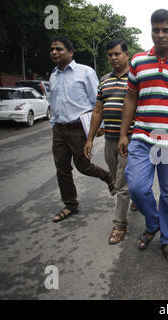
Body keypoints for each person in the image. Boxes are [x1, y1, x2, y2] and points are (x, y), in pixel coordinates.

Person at [117, 9, 168, 262]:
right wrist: (124, 134)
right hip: (142, 137)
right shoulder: (138, 61)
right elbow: (130, 97)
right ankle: (153, 222)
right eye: (156, 29)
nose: (161, 34)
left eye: (166, 30)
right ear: (151, 30)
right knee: (137, 187)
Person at [49, 36, 115, 223]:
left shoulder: (85, 72)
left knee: (83, 166)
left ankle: (108, 177)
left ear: (70, 52)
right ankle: (70, 204)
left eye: (59, 49)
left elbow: (98, 101)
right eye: (52, 49)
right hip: (59, 128)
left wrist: (99, 127)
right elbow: (54, 102)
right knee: (62, 168)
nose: (54, 52)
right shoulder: (53, 75)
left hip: (79, 128)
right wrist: (54, 123)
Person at [83, 39, 137, 244]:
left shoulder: (135, 78)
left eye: (117, 54)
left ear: (126, 54)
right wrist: (89, 139)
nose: (113, 58)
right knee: (116, 178)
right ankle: (137, 199)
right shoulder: (104, 80)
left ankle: (119, 224)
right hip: (110, 139)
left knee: (121, 184)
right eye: (110, 55)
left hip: (130, 138)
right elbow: (97, 110)